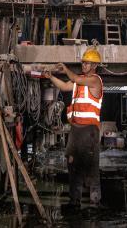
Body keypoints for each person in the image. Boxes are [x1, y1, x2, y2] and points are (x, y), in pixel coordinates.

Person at [47, 47, 104, 209]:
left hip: (90, 130)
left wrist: (65, 69)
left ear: (95, 66)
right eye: (83, 63)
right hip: (76, 130)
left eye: (87, 63)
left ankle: (95, 202)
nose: (84, 65)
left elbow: (73, 78)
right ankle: (74, 201)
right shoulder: (79, 81)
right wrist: (51, 76)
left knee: (91, 166)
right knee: (72, 164)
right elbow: (64, 86)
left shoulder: (95, 80)